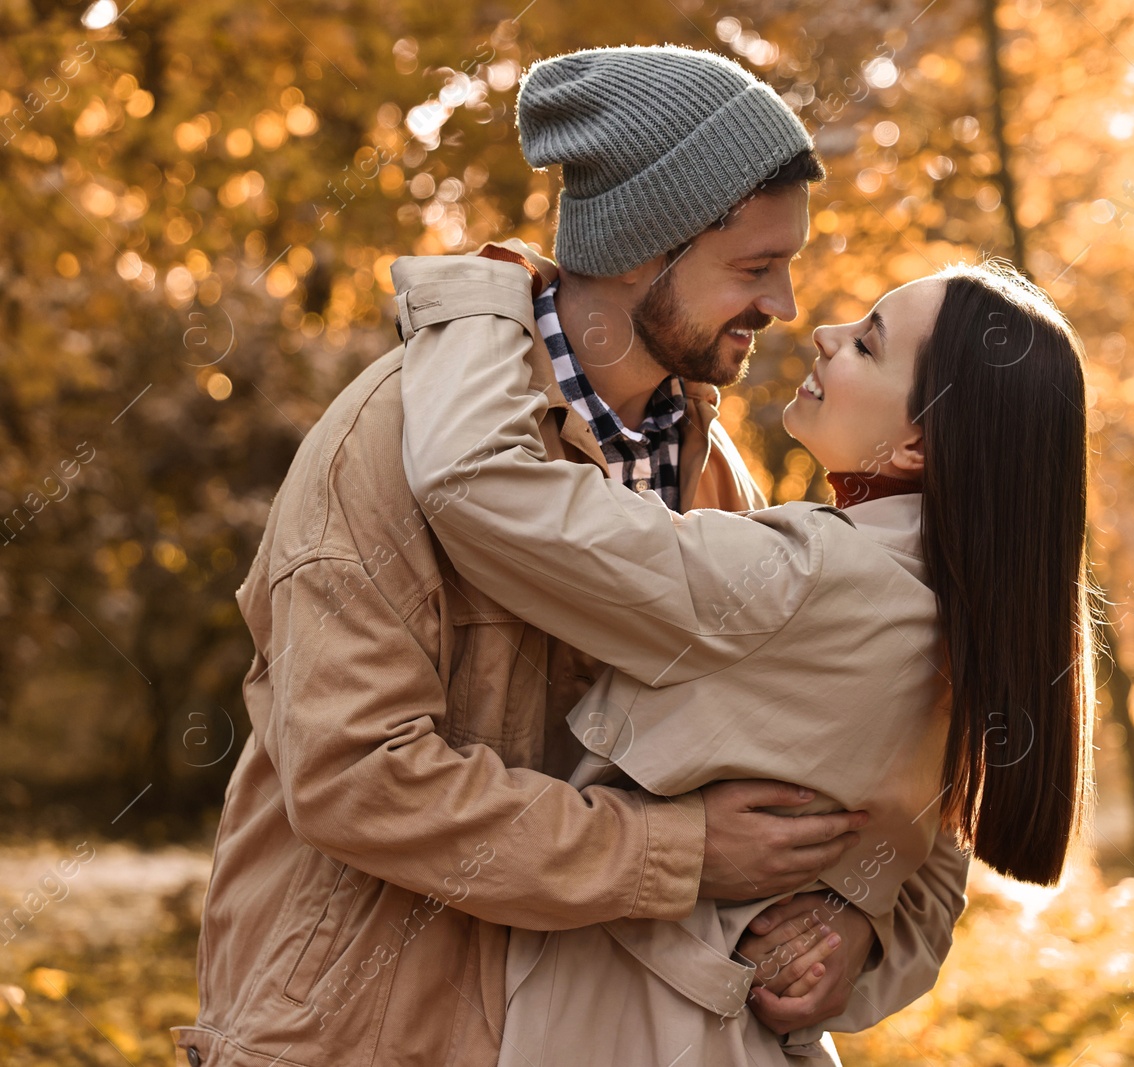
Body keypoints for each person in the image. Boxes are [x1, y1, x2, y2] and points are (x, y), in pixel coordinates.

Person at [175, 45, 962, 1067]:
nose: (785, 305)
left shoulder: (717, 470)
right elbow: (354, 776)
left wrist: (852, 917)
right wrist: (676, 851)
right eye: (755, 267)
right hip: (364, 1033)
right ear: (643, 249)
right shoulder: (387, 434)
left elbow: (860, 764)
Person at [396, 251, 1098, 1064]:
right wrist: (859, 930)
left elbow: (476, 485)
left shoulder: (808, 576)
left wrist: (480, 293)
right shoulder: (963, 609)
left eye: (868, 344)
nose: (826, 333)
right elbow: (933, 853)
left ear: (915, 447)